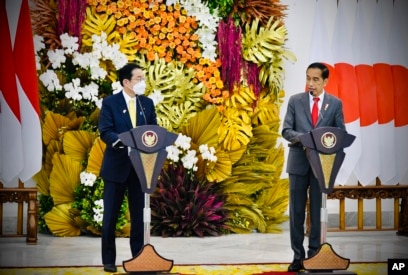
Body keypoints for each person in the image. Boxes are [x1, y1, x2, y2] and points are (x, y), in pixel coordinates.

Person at [281, 62, 345, 272]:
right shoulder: (295, 101)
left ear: (325, 81)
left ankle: (315, 255)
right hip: (298, 163)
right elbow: (286, 131)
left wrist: (324, 140)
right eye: (308, 78)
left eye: (315, 79)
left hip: (322, 167)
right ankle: (298, 257)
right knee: (297, 213)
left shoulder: (335, 104)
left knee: (318, 213)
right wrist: (306, 138)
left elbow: (340, 133)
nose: (310, 83)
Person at [98, 63, 157, 273]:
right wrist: (126, 141)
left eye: (143, 78)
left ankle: (138, 258)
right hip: (116, 168)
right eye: (139, 78)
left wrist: (152, 140)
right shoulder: (110, 103)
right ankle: (108, 260)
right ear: (126, 82)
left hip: (140, 169)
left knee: (139, 217)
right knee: (111, 217)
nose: (143, 82)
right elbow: (105, 132)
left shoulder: (147, 104)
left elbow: (153, 131)